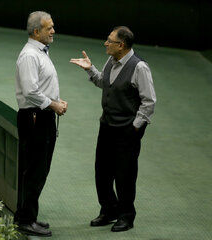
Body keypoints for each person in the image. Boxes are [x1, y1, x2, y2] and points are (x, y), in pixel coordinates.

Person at [70, 26, 156, 232]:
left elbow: (149, 101)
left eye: (110, 41)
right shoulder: (112, 60)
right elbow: (104, 82)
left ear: (121, 45)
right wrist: (90, 69)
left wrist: (135, 127)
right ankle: (109, 210)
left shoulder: (139, 67)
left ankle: (126, 215)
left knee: (125, 175)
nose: (105, 44)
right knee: (102, 172)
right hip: (107, 126)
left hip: (127, 130)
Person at [14, 11, 68, 237]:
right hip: (35, 117)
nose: (53, 31)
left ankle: (29, 216)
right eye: (49, 28)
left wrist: (55, 101)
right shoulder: (30, 55)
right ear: (37, 32)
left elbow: (40, 87)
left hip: (42, 116)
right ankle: (25, 220)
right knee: (34, 171)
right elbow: (30, 91)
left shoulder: (40, 52)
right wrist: (53, 105)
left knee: (39, 169)